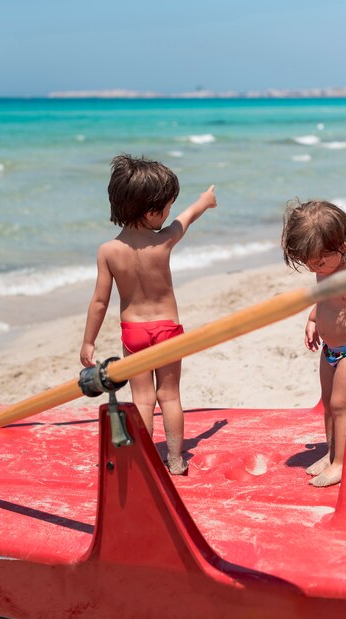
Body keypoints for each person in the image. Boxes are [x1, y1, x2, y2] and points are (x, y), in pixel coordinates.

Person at [80, 154, 217, 475]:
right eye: (166, 208)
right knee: (169, 396)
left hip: (134, 333)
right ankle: (175, 459)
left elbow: (99, 302)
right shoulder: (163, 242)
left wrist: (89, 342)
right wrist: (205, 201)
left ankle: (143, 457)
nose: (169, 214)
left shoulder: (108, 251)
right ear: (151, 212)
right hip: (168, 330)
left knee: (142, 399)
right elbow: (188, 218)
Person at [281, 199, 346, 487]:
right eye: (307, 261)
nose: (314, 266)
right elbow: (325, 300)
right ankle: (333, 452)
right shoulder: (323, 267)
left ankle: (342, 464)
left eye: (320, 260)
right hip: (330, 348)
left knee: (341, 404)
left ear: (342, 242)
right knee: (328, 404)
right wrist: (312, 320)